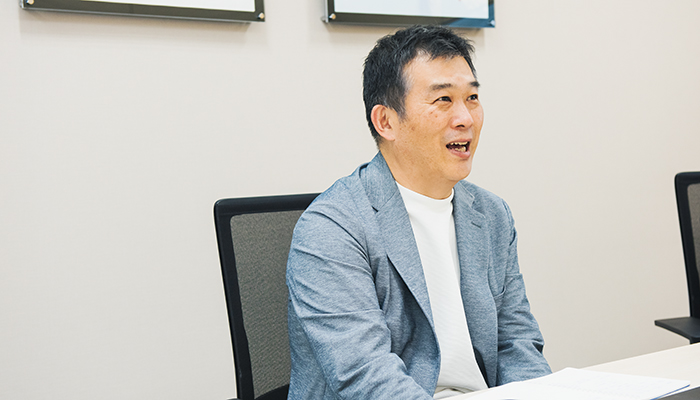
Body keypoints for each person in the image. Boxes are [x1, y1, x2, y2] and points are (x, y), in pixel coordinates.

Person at [286, 25, 551, 400]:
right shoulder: (332, 229)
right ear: (386, 122)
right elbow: (366, 378)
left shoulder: (492, 215)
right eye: (443, 100)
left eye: (472, 97)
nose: (465, 118)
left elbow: (517, 344)